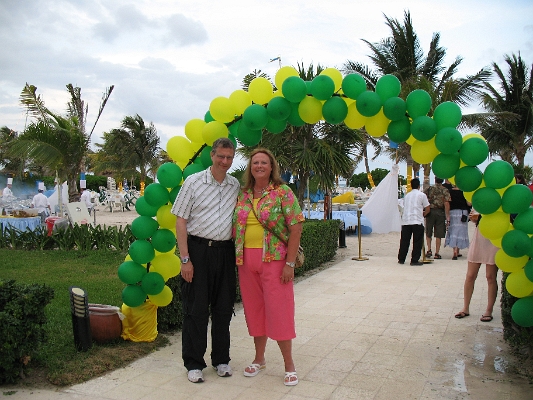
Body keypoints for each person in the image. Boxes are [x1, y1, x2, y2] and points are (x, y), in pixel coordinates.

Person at [170, 137, 240, 384]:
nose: (224, 161)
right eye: (221, 156)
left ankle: (221, 360)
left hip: (225, 252)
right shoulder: (193, 182)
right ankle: (194, 363)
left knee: (223, 308)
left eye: (229, 157)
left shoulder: (235, 185)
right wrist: (185, 259)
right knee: (195, 309)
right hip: (198, 251)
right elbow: (180, 220)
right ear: (212, 155)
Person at [233, 148, 304, 386]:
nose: (259, 166)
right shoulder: (242, 195)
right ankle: (259, 358)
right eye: (255, 163)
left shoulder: (282, 192)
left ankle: (289, 365)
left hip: (274, 260)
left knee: (279, 311)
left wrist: (290, 263)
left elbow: (296, 227)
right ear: (250, 168)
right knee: (254, 310)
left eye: (264, 162)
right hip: (246, 261)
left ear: (271, 167)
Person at [455, 208, 499, 322]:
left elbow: (501, 218)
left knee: (491, 277)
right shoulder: (480, 200)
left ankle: (489, 310)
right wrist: (475, 218)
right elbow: (472, 215)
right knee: (470, 276)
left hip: (495, 239)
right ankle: (465, 308)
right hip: (479, 237)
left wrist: (479, 217)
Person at [398, 178, 430, 266]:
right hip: (417, 220)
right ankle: (414, 260)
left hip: (406, 220)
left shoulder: (407, 195)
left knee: (404, 241)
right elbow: (427, 208)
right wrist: (423, 214)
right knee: (417, 241)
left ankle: (401, 258)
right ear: (419, 186)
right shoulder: (422, 195)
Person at [424, 177, 451, 259]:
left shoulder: (429, 189)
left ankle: (429, 250)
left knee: (429, 231)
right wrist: (447, 215)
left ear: (435, 180)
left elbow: (425, 199)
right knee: (438, 233)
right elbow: (446, 203)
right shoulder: (445, 190)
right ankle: (437, 252)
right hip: (440, 212)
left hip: (430, 211)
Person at [444, 183, 470, 260]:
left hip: (453, 212)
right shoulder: (465, 192)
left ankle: (454, 250)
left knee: (454, 231)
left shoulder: (449, 191)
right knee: (461, 231)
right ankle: (457, 251)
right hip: (463, 213)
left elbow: (446, 203)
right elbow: (469, 203)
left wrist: (447, 215)